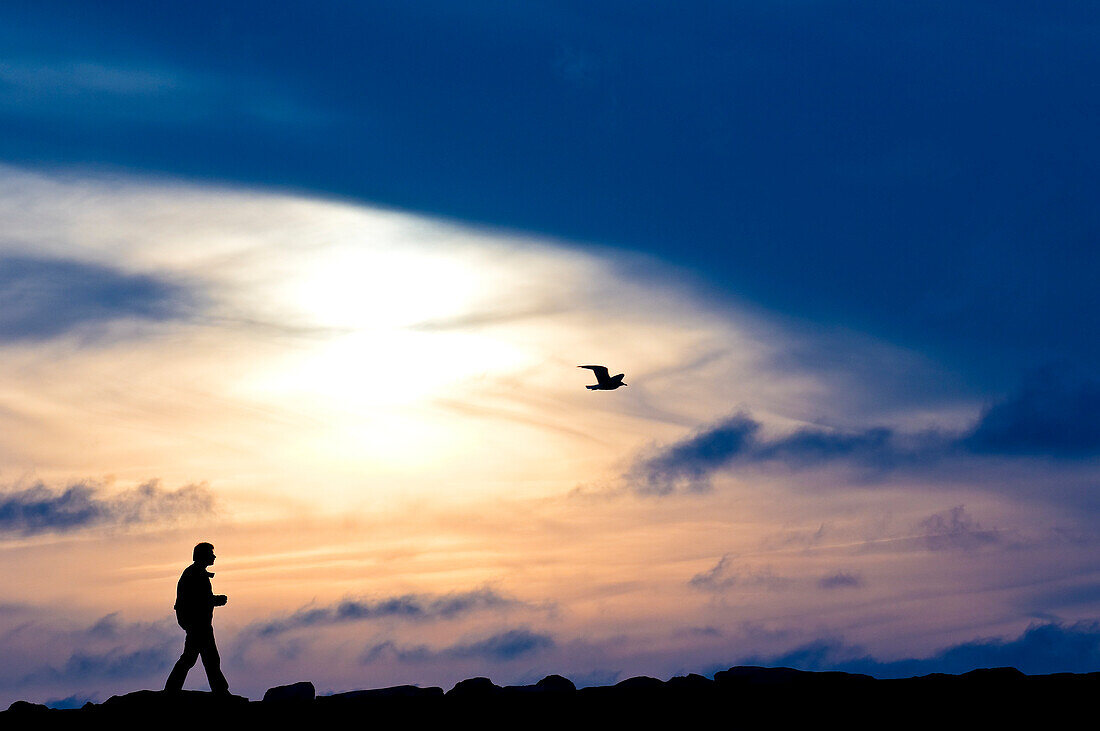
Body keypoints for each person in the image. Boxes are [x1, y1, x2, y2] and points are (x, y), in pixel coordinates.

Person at [164, 542, 230, 694]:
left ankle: (172, 689)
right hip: (198, 624)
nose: (214, 556)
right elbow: (197, 600)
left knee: (201, 658)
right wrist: (216, 600)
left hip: (198, 623)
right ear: (203, 556)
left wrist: (214, 600)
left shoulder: (196, 573)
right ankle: (220, 691)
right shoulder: (195, 574)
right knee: (203, 658)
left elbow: (200, 598)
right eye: (211, 553)